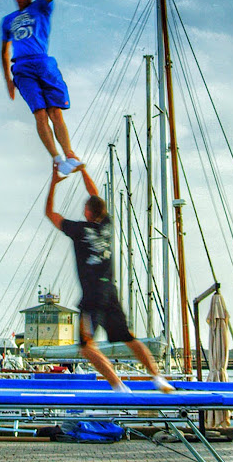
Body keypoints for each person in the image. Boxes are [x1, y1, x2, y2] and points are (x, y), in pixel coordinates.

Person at [45, 163, 174, 393]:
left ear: (87, 213)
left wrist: (54, 183)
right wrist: (84, 171)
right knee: (130, 338)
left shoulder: (78, 229)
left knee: (87, 347)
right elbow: (94, 195)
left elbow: (50, 214)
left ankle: (118, 386)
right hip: (110, 292)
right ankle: (158, 378)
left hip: (92, 296)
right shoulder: (107, 224)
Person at [2, 0, 83, 177]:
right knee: (40, 113)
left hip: (44, 62)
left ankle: (69, 154)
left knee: (55, 112)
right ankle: (57, 159)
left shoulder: (41, 7)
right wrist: (8, 79)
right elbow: (4, 51)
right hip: (23, 67)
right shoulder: (8, 20)